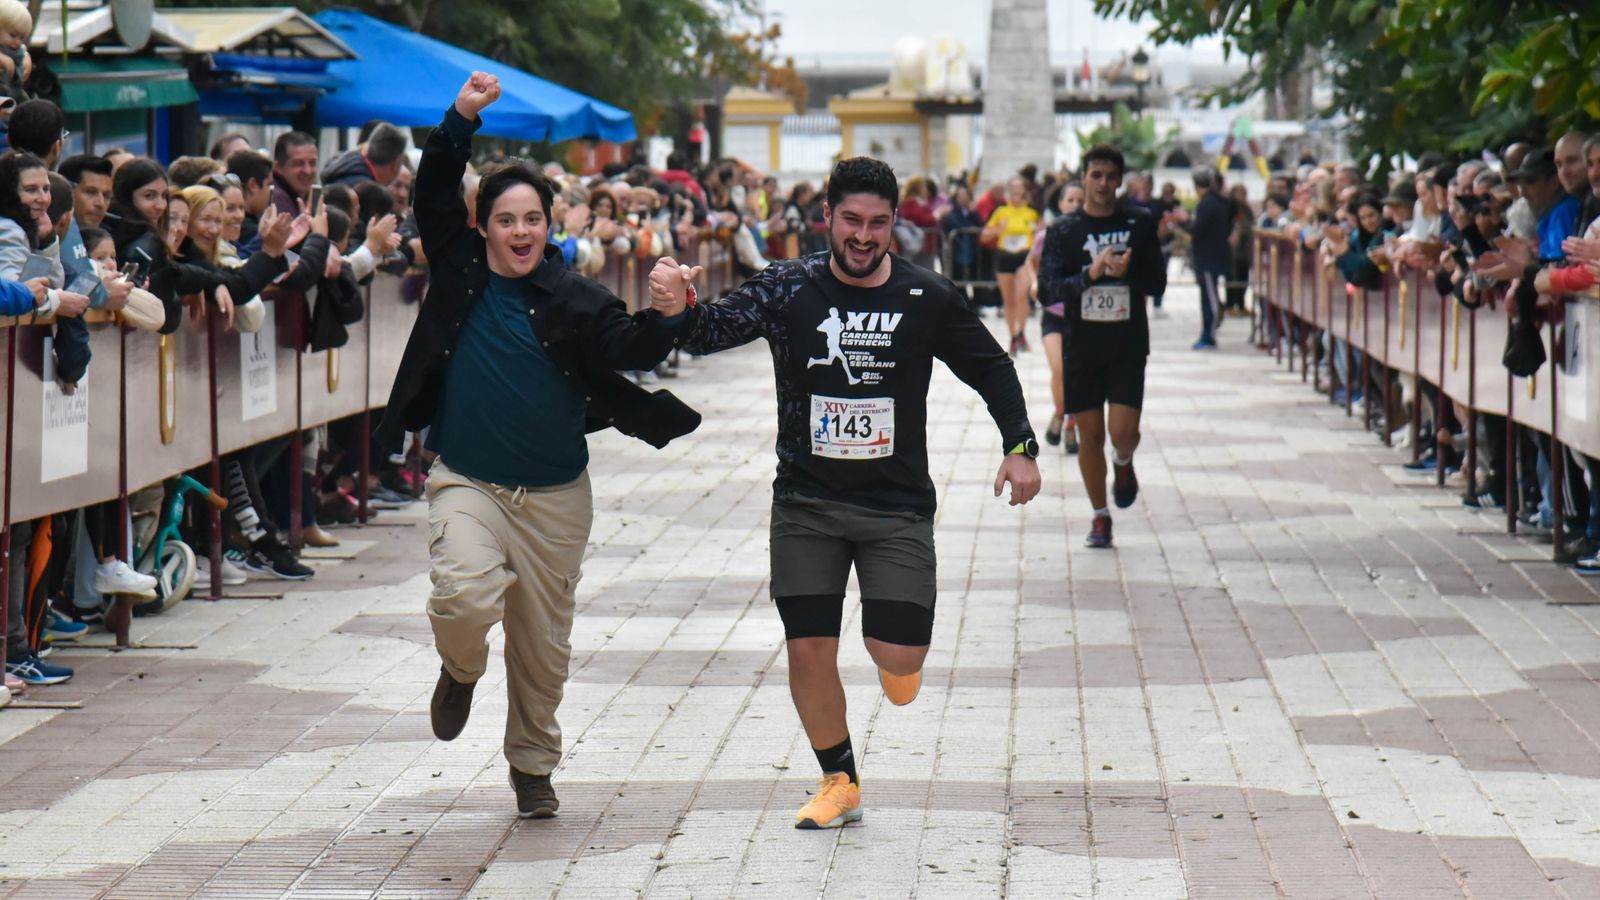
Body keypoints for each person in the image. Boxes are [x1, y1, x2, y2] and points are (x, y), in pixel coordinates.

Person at [647, 155, 1041, 831]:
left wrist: (1020, 446)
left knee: (899, 658)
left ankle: (893, 649)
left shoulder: (926, 296)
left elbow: (991, 367)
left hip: (896, 506)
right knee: (808, 646)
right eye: (851, 220)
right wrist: (671, 306)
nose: (863, 236)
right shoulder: (789, 286)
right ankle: (839, 779)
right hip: (806, 502)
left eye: (877, 223)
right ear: (827, 216)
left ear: (894, 224)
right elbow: (707, 330)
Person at [376, 72, 699, 821]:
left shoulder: (576, 297)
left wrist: (668, 311)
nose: (520, 232)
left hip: (556, 498)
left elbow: (632, 347)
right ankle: (461, 669)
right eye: (506, 220)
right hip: (469, 481)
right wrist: (460, 118)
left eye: (532, 219)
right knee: (462, 596)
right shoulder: (458, 267)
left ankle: (531, 768)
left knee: (542, 649)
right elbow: (433, 191)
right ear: (483, 226)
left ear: (549, 225)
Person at [1037, 144, 1165, 549]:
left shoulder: (1139, 222)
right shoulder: (1063, 230)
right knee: (1090, 436)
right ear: (1083, 178)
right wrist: (1090, 275)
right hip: (1081, 346)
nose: (1103, 184)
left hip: (1127, 344)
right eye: (1096, 176)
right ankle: (1099, 516)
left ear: (1120, 180)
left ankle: (1124, 462)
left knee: (1123, 433)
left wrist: (1131, 272)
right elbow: (1047, 291)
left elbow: (1158, 283)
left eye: (1111, 177)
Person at [1033, 180, 1085, 454]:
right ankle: (1061, 410)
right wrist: (1035, 284)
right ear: (1060, 204)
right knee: (1058, 368)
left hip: (1083, 315)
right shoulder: (1046, 235)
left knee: (1076, 371)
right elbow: (1032, 263)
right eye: (1070, 200)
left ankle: (1069, 423)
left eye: (1080, 201)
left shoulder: (1090, 236)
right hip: (1053, 313)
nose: (1075, 205)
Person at [982, 176, 1040, 355]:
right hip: (1004, 257)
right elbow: (984, 236)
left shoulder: (1031, 213)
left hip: (1024, 257)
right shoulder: (1001, 212)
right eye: (1012, 188)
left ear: (1024, 191)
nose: (1016, 192)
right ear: (1008, 192)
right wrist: (998, 229)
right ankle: (1014, 337)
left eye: (1019, 188)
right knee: (1008, 300)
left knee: (1021, 294)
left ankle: (1021, 331)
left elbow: (1040, 235)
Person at [1187, 166, 1232, 349]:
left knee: (1209, 298)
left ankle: (1209, 334)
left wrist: (1182, 221)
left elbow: (1197, 229)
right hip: (1210, 256)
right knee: (1208, 296)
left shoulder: (1208, 203)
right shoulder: (1216, 201)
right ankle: (1207, 333)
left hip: (1208, 257)